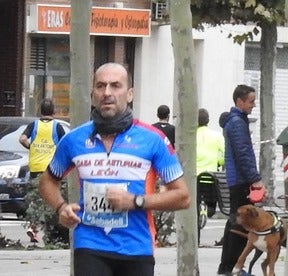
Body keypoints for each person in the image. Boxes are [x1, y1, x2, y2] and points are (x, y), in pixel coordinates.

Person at [37, 63, 190, 276]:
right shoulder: (74, 139)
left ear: (129, 94)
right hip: (89, 245)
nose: (107, 93)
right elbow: (47, 181)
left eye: (115, 85)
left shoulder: (153, 139)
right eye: (100, 86)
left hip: (137, 247)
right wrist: (61, 207)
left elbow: (183, 197)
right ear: (93, 95)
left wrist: (136, 201)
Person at [218, 84, 263, 276]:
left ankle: (227, 266)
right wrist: (255, 178)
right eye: (251, 101)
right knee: (242, 224)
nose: (254, 105)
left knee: (234, 222)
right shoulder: (237, 123)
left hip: (236, 179)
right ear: (240, 101)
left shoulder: (235, 122)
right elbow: (243, 153)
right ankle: (233, 267)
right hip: (241, 180)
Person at [19, 99, 67, 180]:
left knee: (35, 190)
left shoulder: (33, 125)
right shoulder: (57, 127)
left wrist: (30, 147)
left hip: (35, 167)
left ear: (41, 111)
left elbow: (22, 139)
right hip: (51, 168)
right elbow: (65, 145)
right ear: (53, 112)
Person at [194, 108, 225, 218]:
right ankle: (207, 210)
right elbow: (224, 155)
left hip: (195, 177)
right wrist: (219, 162)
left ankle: (199, 213)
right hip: (210, 177)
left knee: (194, 204)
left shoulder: (191, 136)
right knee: (211, 205)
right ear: (208, 120)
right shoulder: (217, 136)